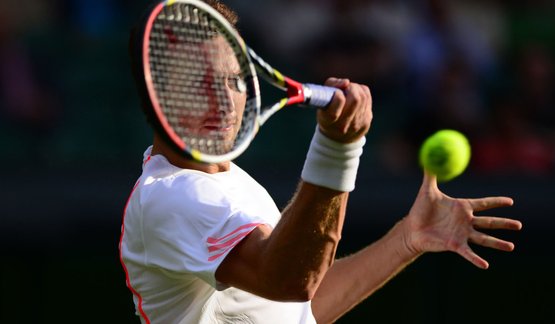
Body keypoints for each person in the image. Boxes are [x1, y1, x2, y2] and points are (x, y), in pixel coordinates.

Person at [119, 1, 523, 323]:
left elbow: (299, 309)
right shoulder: (170, 197)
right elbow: (292, 279)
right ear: (159, 97)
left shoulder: (230, 181)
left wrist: (405, 239)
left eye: (233, 80)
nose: (225, 101)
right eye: (199, 84)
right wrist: (338, 147)